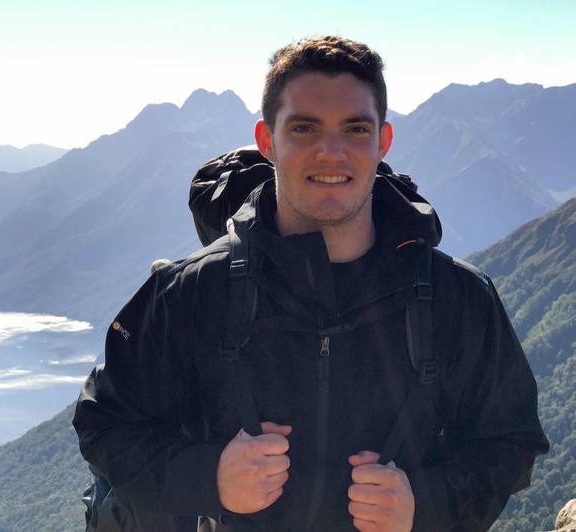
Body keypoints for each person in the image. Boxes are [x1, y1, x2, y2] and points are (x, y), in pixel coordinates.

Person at [73, 35, 549, 531]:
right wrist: (209, 477)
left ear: (382, 142)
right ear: (267, 141)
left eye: (355, 128)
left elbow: (510, 443)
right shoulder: (191, 293)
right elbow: (105, 424)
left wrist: (422, 504)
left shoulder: (459, 299)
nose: (331, 151)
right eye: (304, 128)